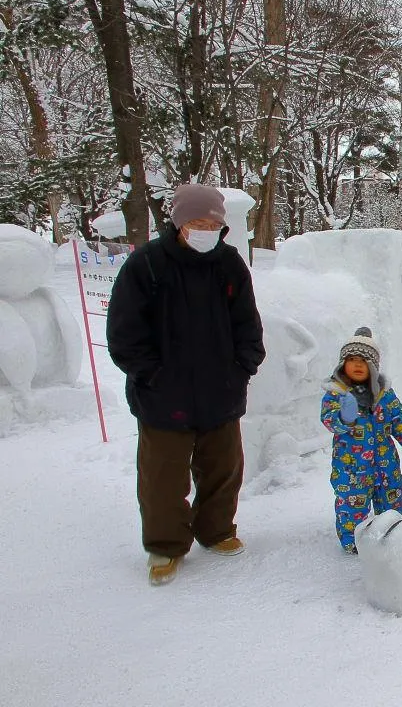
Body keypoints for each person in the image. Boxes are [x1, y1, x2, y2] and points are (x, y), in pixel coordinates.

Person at [106, 183, 265, 586]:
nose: (206, 229)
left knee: (223, 469)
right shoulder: (146, 265)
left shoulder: (228, 264)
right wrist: (153, 376)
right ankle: (165, 545)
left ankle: (217, 531)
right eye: (197, 222)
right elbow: (125, 333)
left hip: (220, 390)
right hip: (164, 395)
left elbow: (247, 324)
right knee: (162, 476)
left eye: (213, 223)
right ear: (178, 223)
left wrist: (242, 367)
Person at [321, 327, 402, 553]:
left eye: (364, 360)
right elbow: (328, 419)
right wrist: (343, 417)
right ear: (342, 364)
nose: (358, 364)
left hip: (386, 463)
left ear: (373, 366)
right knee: (352, 504)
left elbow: (400, 420)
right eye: (351, 359)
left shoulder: (384, 394)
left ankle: (393, 533)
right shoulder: (336, 393)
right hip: (351, 467)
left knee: (391, 500)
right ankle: (353, 542)